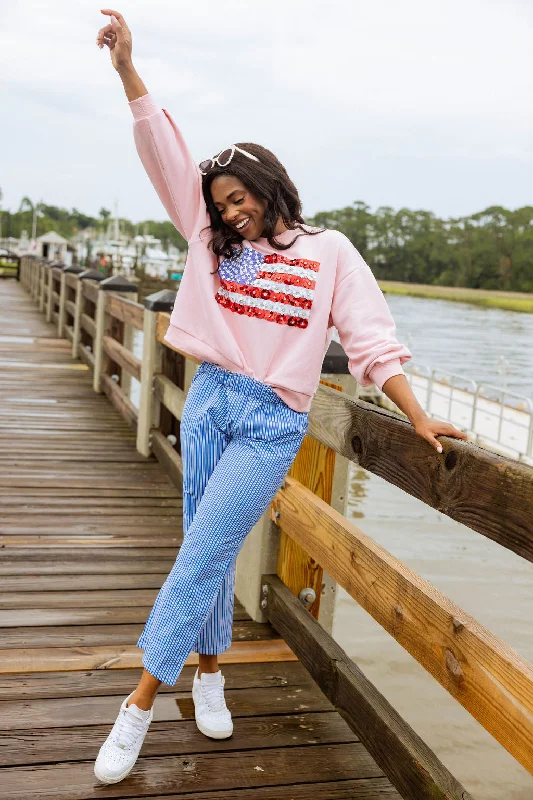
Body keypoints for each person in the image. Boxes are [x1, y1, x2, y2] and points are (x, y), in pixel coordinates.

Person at [94, 9, 467, 785]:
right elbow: (161, 150)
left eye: (240, 198)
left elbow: (368, 337)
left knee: (199, 553)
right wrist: (129, 68)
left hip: (271, 421)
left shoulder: (329, 251)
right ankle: (209, 672)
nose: (230, 211)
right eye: (220, 201)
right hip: (209, 400)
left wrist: (415, 411)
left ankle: (136, 706)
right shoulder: (206, 236)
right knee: (208, 546)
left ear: (270, 188)